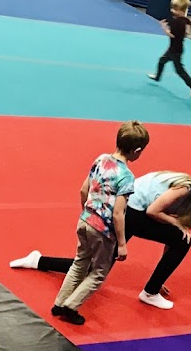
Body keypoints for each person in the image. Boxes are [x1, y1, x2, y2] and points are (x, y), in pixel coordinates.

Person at [11, 169, 191, 311]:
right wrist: (177, 224)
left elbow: (170, 241)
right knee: (184, 240)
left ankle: (38, 261)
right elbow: (153, 211)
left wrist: (161, 276)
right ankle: (149, 293)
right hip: (130, 212)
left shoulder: (187, 189)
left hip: (128, 209)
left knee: (95, 268)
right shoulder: (184, 188)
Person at [51, 121, 146, 325]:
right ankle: (71, 306)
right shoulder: (127, 177)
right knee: (99, 273)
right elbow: (118, 213)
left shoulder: (102, 159)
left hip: (85, 220)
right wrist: (122, 243)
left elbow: (83, 190)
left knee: (80, 262)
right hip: (103, 230)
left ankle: (59, 302)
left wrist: (86, 213)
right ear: (137, 151)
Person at [147, 0, 191, 98]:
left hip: (175, 51)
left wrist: (164, 28)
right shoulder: (184, 20)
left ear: (181, 10)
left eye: (175, 9)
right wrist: (187, 33)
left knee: (179, 70)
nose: (172, 11)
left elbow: (172, 35)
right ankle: (157, 77)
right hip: (175, 48)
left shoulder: (177, 22)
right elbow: (190, 26)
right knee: (162, 60)